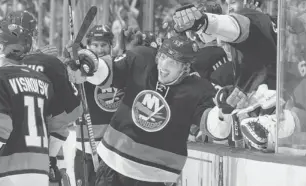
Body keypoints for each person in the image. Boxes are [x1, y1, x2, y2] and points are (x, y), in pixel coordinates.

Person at [83, 30, 216, 185]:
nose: (164, 66)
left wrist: (222, 113)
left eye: (173, 62)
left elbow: (213, 126)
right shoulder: (142, 60)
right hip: (114, 163)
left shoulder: (199, 89)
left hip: (156, 175)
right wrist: (88, 67)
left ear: (185, 68)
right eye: (163, 57)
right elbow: (107, 71)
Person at [0, 20, 77, 186]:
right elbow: (60, 124)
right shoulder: (42, 80)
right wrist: (50, 157)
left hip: (4, 173)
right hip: (40, 173)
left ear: (0, 48)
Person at [173, 0, 277, 114]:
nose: (229, 9)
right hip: (271, 97)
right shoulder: (270, 21)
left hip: (270, 104)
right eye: (227, 4)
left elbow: (235, 25)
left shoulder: (252, 20)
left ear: (251, 0)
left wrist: (203, 21)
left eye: (232, 2)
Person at [73, 25, 125, 186]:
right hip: (86, 147)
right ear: (88, 46)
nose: (99, 49)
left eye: (103, 45)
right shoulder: (81, 68)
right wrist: (72, 61)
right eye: (95, 45)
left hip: (114, 148)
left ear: (111, 46)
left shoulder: (119, 67)